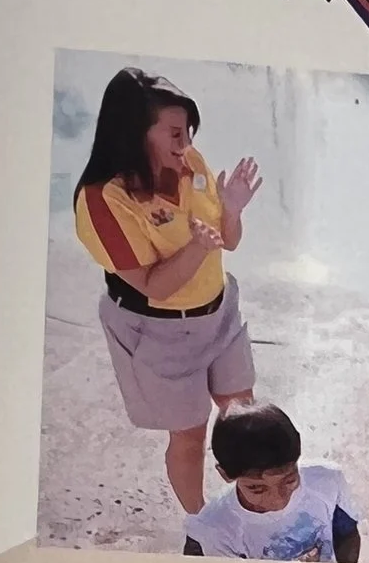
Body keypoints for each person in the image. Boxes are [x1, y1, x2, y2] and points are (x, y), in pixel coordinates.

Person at [72, 69, 263, 516]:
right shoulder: (103, 200)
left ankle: (250, 516)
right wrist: (198, 246)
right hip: (159, 331)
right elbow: (153, 286)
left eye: (189, 131)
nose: (186, 143)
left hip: (219, 312)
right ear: (135, 134)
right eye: (175, 132)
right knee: (190, 434)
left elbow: (227, 240)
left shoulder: (189, 163)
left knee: (244, 417)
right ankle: (199, 523)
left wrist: (231, 210)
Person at [184, 404, 359, 563]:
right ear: (225, 474)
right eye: (257, 489)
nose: (277, 500)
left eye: (289, 480)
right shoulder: (215, 528)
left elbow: (347, 536)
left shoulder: (327, 481)